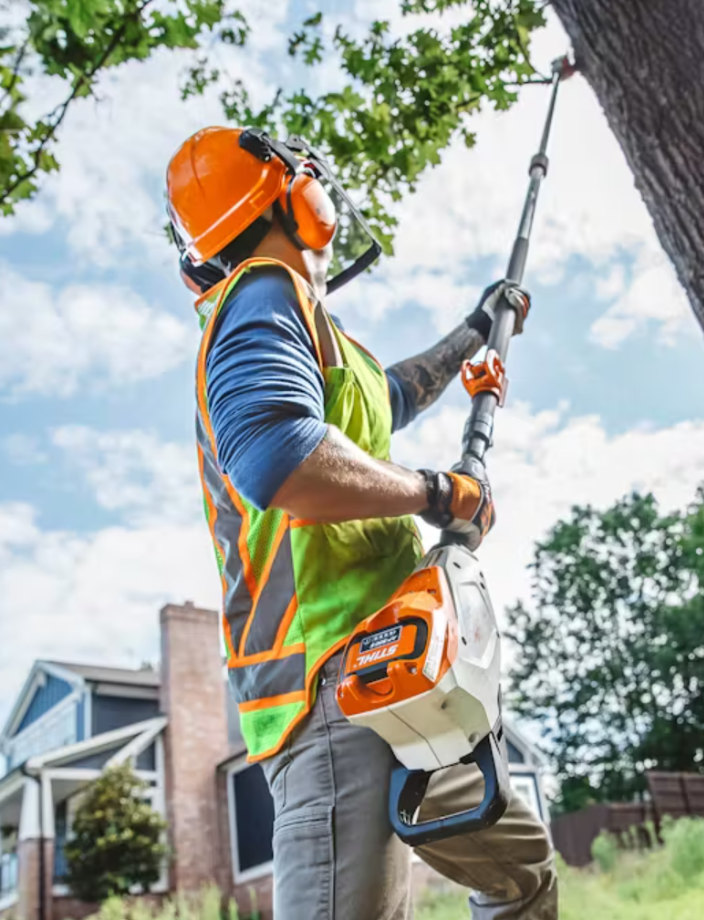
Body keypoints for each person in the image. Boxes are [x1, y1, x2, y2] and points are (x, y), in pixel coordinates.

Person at [166, 126, 557, 920]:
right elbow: (280, 456)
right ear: (294, 194)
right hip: (329, 690)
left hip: (398, 669)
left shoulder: (308, 326)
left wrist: (476, 331)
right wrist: (438, 495)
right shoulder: (262, 293)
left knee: (519, 880)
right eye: (307, 175)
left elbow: (393, 391)